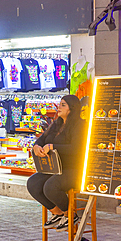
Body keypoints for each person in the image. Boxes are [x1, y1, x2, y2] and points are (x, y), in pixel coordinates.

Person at [26, 94, 87, 230]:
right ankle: (57, 213)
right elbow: (41, 139)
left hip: (73, 170)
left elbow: (77, 149)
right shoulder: (56, 124)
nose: (58, 107)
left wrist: (53, 147)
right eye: (59, 104)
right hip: (54, 168)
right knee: (33, 183)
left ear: (72, 108)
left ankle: (70, 214)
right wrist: (36, 147)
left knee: (50, 187)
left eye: (63, 105)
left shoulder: (79, 125)